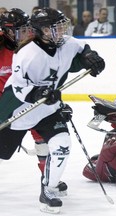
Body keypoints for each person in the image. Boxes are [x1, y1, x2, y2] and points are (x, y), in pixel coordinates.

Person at [0, 7, 105, 213]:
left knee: (61, 145)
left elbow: (82, 47)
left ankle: (48, 188)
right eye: (56, 28)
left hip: (48, 109)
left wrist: (91, 57)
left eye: (62, 26)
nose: (62, 31)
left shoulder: (65, 43)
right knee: (3, 152)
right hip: (20, 110)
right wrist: (37, 94)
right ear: (43, 30)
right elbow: (18, 88)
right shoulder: (27, 54)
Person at [0, 7, 70, 195]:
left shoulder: (33, 48)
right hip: (6, 108)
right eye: (20, 31)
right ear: (7, 31)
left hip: (31, 103)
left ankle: (48, 179)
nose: (25, 34)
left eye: (27, 29)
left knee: (44, 140)